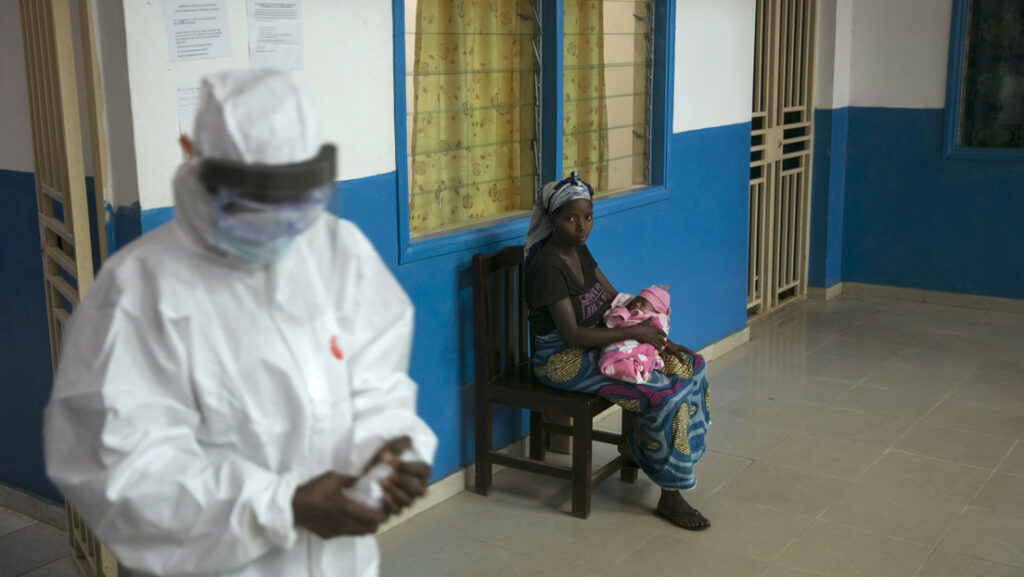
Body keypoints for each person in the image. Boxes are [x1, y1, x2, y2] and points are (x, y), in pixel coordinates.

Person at [43, 69, 438, 577]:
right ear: (192, 156)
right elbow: (118, 472)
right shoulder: (137, 292)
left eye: (293, 196)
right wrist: (283, 506)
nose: (279, 220)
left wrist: (389, 454)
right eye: (254, 199)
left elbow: (378, 384)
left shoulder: (339, 254)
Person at [523, 172, 711, 530]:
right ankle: (670, 492)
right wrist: (635, 332)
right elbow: (573, 335)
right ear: (552, 220)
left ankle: (639, 446)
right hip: (562, 360)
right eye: (571, 218)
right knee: (663, 395)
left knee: (689, 366)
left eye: (587, 217)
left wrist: (657, 336)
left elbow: (612, 298)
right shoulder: (548, 267)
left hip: (601, 342)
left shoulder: (578, 248)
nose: (581, 227)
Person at [599, 285, 698, 385]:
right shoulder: (627, 310)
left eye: (643, 303)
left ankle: (634, 368)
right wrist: (621, 315)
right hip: (621, 340)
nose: (637, 304)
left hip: (640, 346)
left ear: (656, 311)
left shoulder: (656, 318)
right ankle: (618, 364)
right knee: (614, 351)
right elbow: (613, 317)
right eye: (636, 301)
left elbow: (659, 335)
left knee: (646, 357)